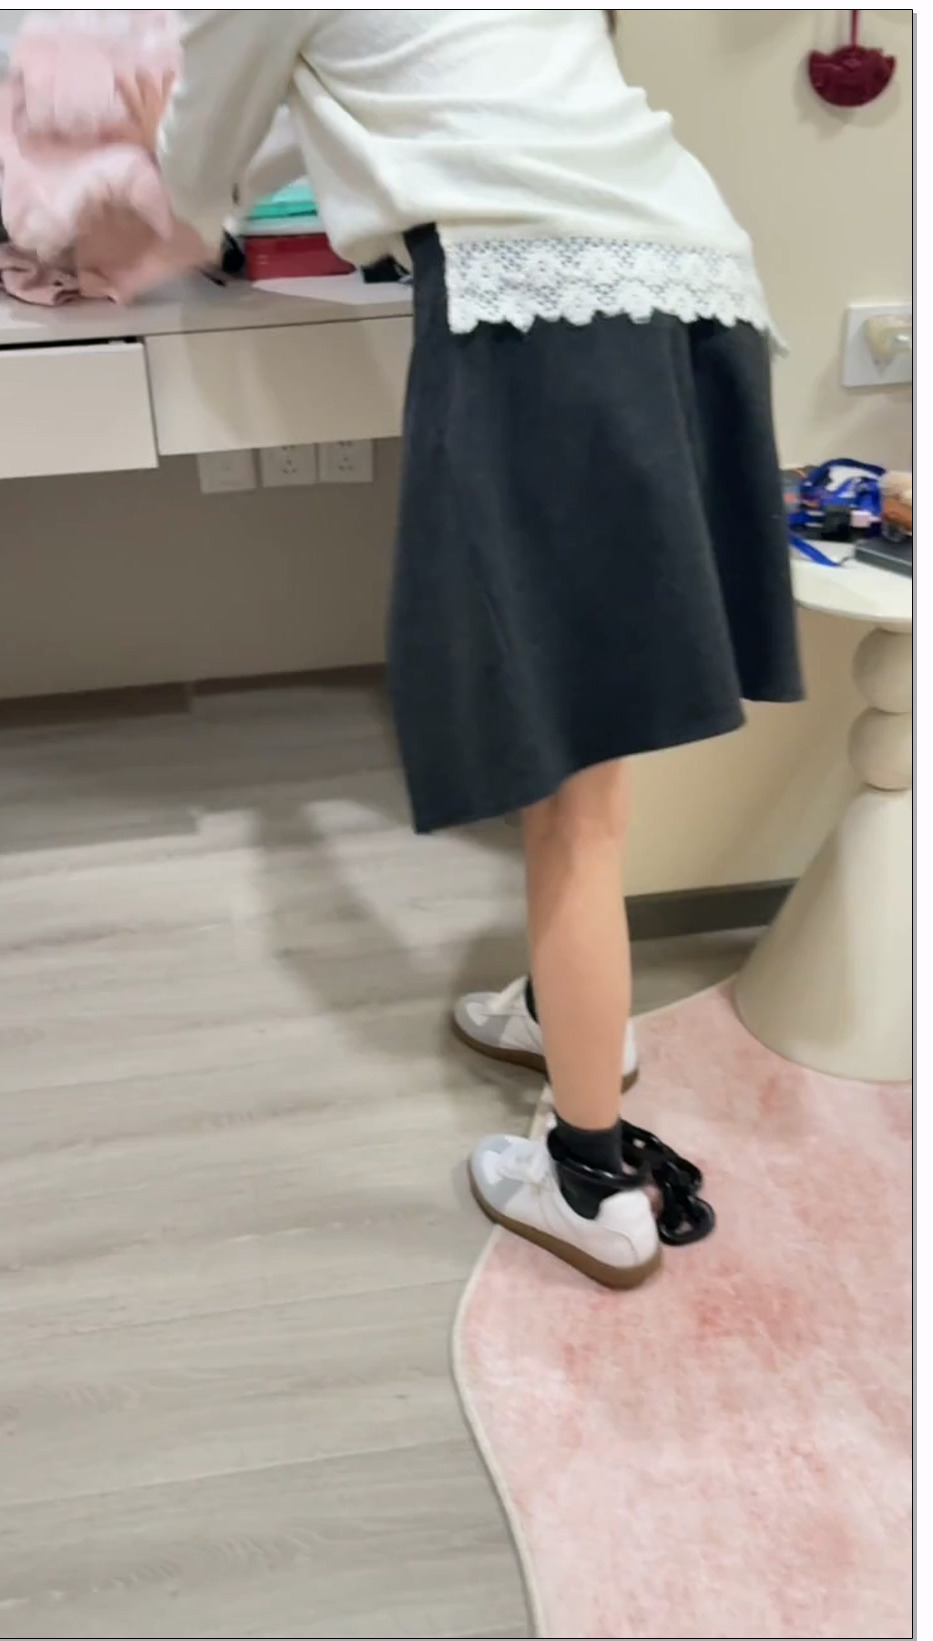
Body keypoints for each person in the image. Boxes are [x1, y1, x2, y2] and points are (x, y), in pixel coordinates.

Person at [152, 10, 802, 1289]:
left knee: (562, 776)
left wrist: (166, 176)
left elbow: (191, 170)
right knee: (591, 733)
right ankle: (571, 1011)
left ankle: (590, 1175)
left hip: (538, 308)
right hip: (696, 281)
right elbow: (381, 90)